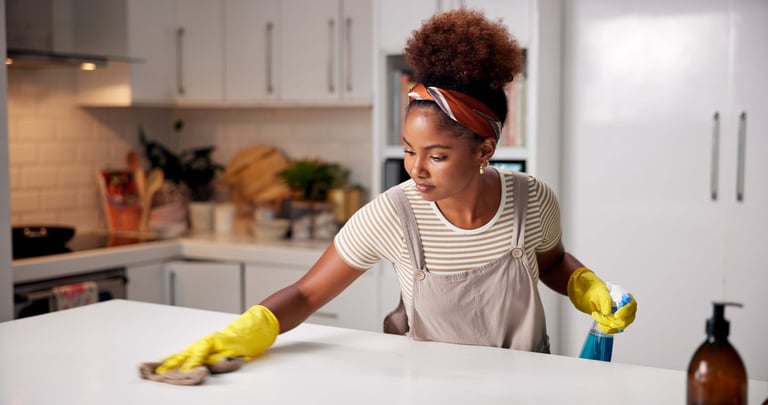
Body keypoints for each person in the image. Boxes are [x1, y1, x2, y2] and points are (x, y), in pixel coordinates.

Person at [141, 8, 637, 383]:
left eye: (436, 155)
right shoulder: (394, 213)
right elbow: (309, 292)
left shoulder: (532, 200)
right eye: (408, 150)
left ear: (484, 148)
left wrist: (586, 287)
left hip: (528, 385)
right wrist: (248, 330)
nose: (416, 169)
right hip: (428, 386)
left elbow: (549, 264)